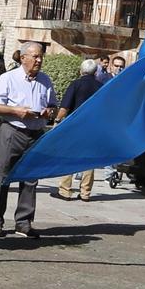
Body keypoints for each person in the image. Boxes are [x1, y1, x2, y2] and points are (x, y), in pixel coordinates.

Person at [0, 41, 56, 237]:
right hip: (12, 130)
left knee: (30, 178)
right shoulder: (8, 78)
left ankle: (24, 222)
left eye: (41, 57)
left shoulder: (45, 80)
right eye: (35, 56)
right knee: (3, 176)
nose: (39, 60)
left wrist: (48, 111)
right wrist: (16, 111)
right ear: (23, 57)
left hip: (35, 133)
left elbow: (53, 105)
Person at [54, 57, 104, 202]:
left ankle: (65, 191)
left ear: (81, 70)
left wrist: (57, 120)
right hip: (92, 127)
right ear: (95, 72)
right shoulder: (100, 87)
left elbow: (65, 107)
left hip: (74, 125)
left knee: (69, 157)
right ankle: (85, 193)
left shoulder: (76, 84)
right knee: (88, 160)